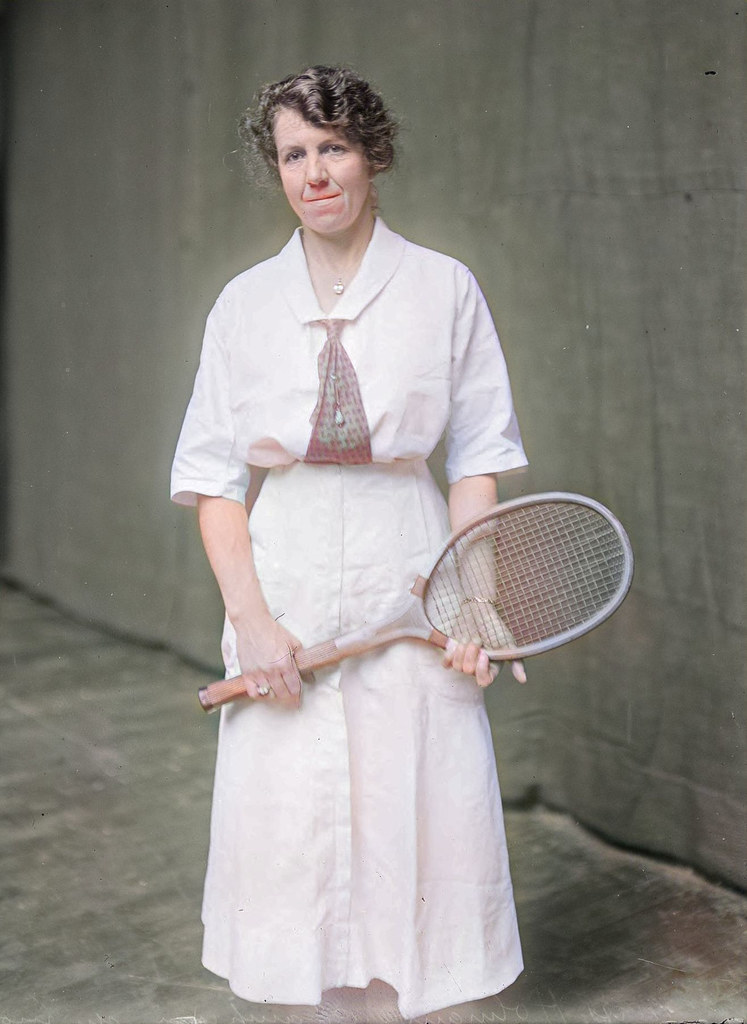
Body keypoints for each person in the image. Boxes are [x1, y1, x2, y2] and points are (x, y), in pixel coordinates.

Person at [171, 64, 528, 1022]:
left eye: (333, 147)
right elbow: (213, 480)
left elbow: (478, 460)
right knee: (293, 818)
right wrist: (252, 622)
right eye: (294, 154)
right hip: (281, 572)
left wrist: (471, 599)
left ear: (372, 154)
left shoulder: (444, 288)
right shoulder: (243, 304)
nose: (315, 173)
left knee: (416, 803)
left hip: (409, 560)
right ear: (276, 169)